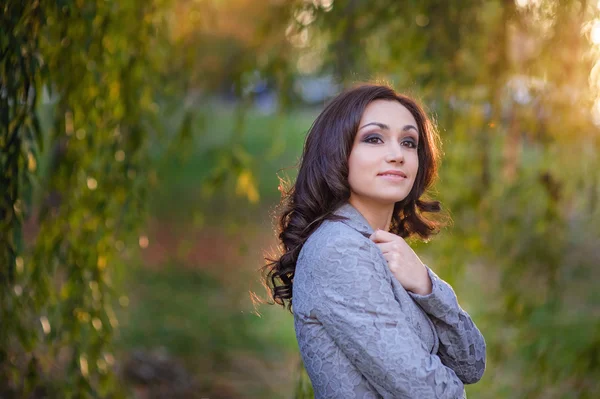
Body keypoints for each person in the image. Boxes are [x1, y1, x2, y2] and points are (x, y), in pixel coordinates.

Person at [262, 84, 486, 398]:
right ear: (338, 153)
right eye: (373, 138)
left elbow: (471, 364)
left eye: (409, 142)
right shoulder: (339, 250)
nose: (397, 155)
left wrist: (426, 286)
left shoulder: (379, 248)